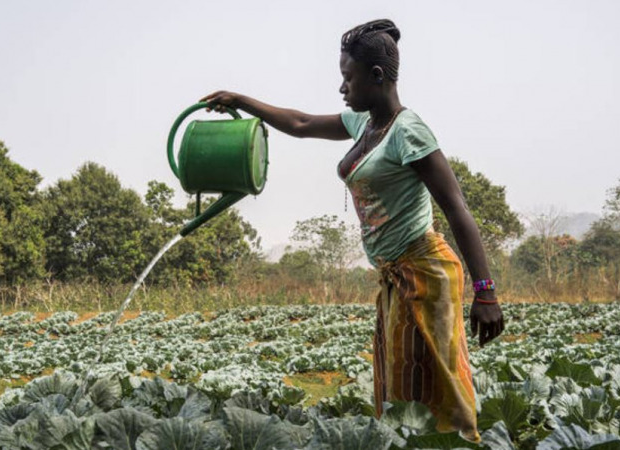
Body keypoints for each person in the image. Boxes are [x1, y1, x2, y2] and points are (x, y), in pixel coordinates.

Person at [201, 19, 503, 441]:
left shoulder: (407, 131)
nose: (342, 88)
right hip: (397, 276)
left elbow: (457, 208)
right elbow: (302, 124)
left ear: (376, 77)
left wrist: (485, 291)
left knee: (438, 388)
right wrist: (241, 100)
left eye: (348, 78)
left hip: (426, 273)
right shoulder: (365, 124)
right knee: (402, 388)